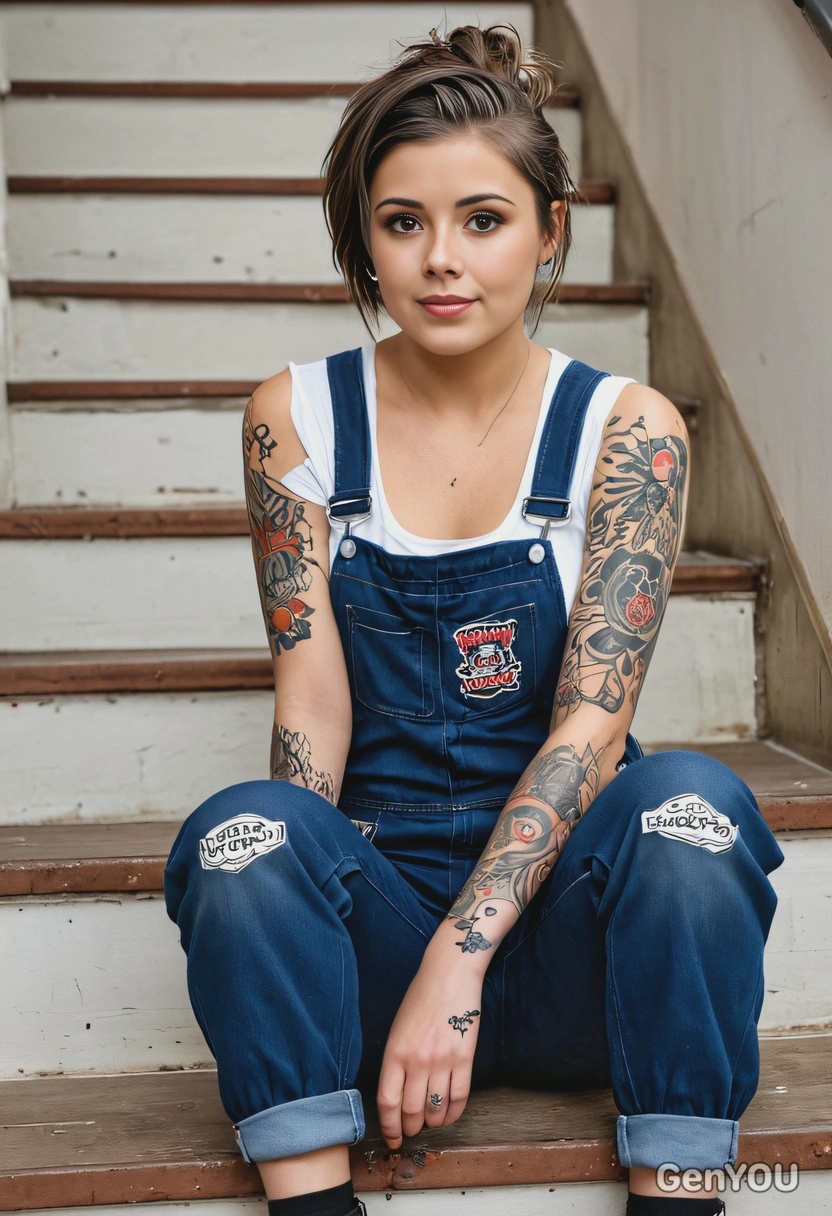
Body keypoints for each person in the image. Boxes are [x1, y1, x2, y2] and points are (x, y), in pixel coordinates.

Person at [163, 24, 785, 1216]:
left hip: (571, 948)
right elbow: (312, 698)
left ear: (550, 229)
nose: (441, 260)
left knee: (693, 802)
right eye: (402, 223)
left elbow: (592, 729)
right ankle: (312, 1197)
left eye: (483, 220)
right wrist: (330, 926)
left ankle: (678, 1194)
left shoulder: (628, 429)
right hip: (379, 942)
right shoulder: (294, 418)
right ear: (365, 238)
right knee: (246, 833)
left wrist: (463, 955)